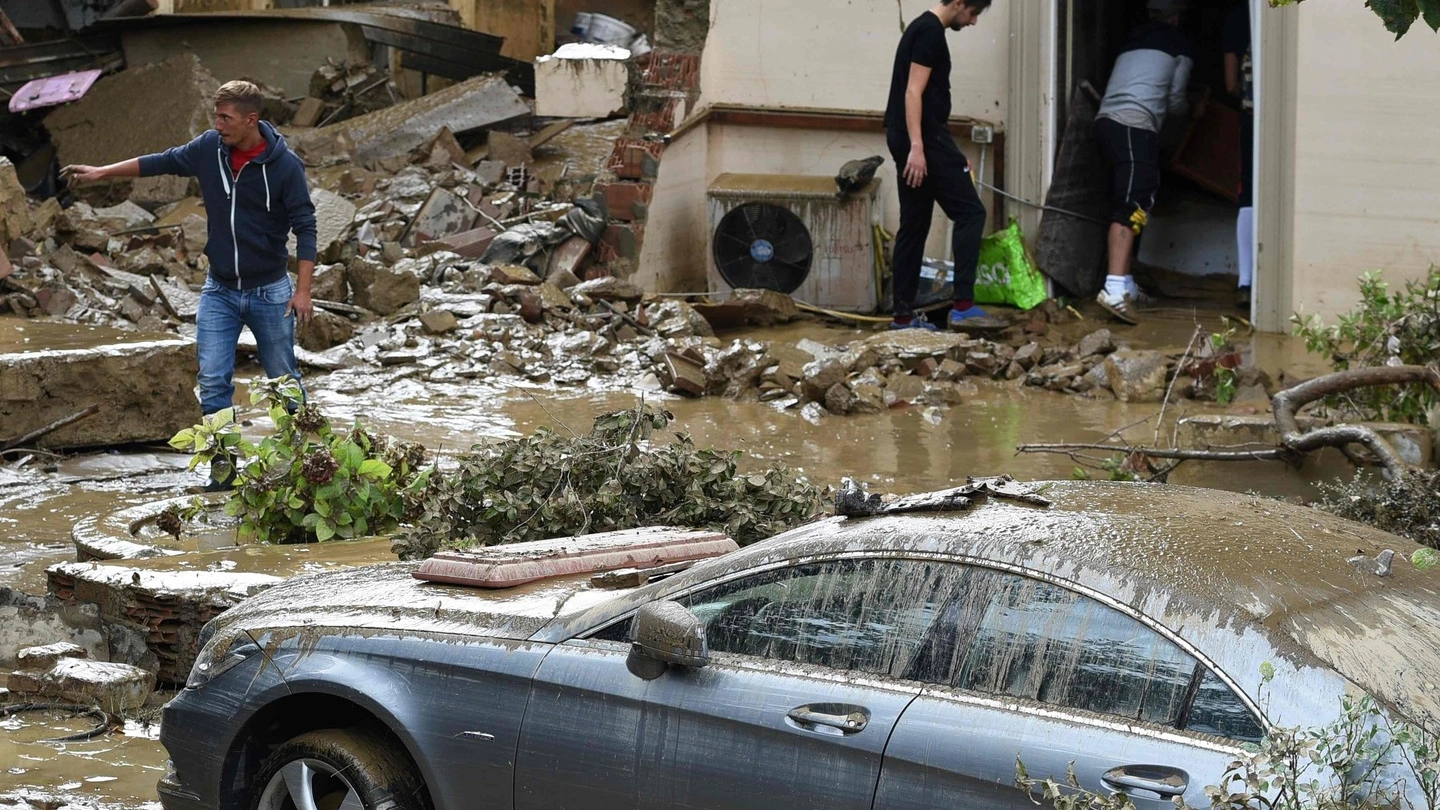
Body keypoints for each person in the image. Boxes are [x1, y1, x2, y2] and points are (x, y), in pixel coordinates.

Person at [63, 80, 317, 488]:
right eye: (216, 116)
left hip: (270, 291)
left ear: (252, 119)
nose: (218, 124)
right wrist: (100, 173)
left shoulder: (285, 167)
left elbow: (306, 227)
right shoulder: (207, 149)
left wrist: (302, 290)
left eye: (226, 117)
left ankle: (305, 464)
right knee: (213, 379)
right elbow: (159, 162)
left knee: (283, 380)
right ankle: (222, 472)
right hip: (219, 290)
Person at [883, 0, 1002, 332]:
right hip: (922, 140)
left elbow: (925, 98)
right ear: (960, 3)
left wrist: (944, 152)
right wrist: (920, 148)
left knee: (915, 224)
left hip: (916, 138)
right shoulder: (931, 33)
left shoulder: (921, 28)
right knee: (971, 213)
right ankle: (963, 306)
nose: (974, 22)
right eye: (974, 13)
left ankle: (903, 317)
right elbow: (913, 93)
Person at [1093, 0, 1194, 325]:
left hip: (1107, 122)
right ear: (1177, 18)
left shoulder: (1131, 41)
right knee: (1132, 202)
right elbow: (1176, 99)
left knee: (1127, 198)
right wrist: (1192, 113)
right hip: (1135, 124)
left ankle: (1127, 284)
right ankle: (1114, 287)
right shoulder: (1180, 45)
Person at [1224, 0, 1255, 308]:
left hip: (1251, 118)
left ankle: (1246, 282)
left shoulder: (1238, 16)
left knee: (1249, 194)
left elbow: (1230, 82)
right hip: (1286, 121)